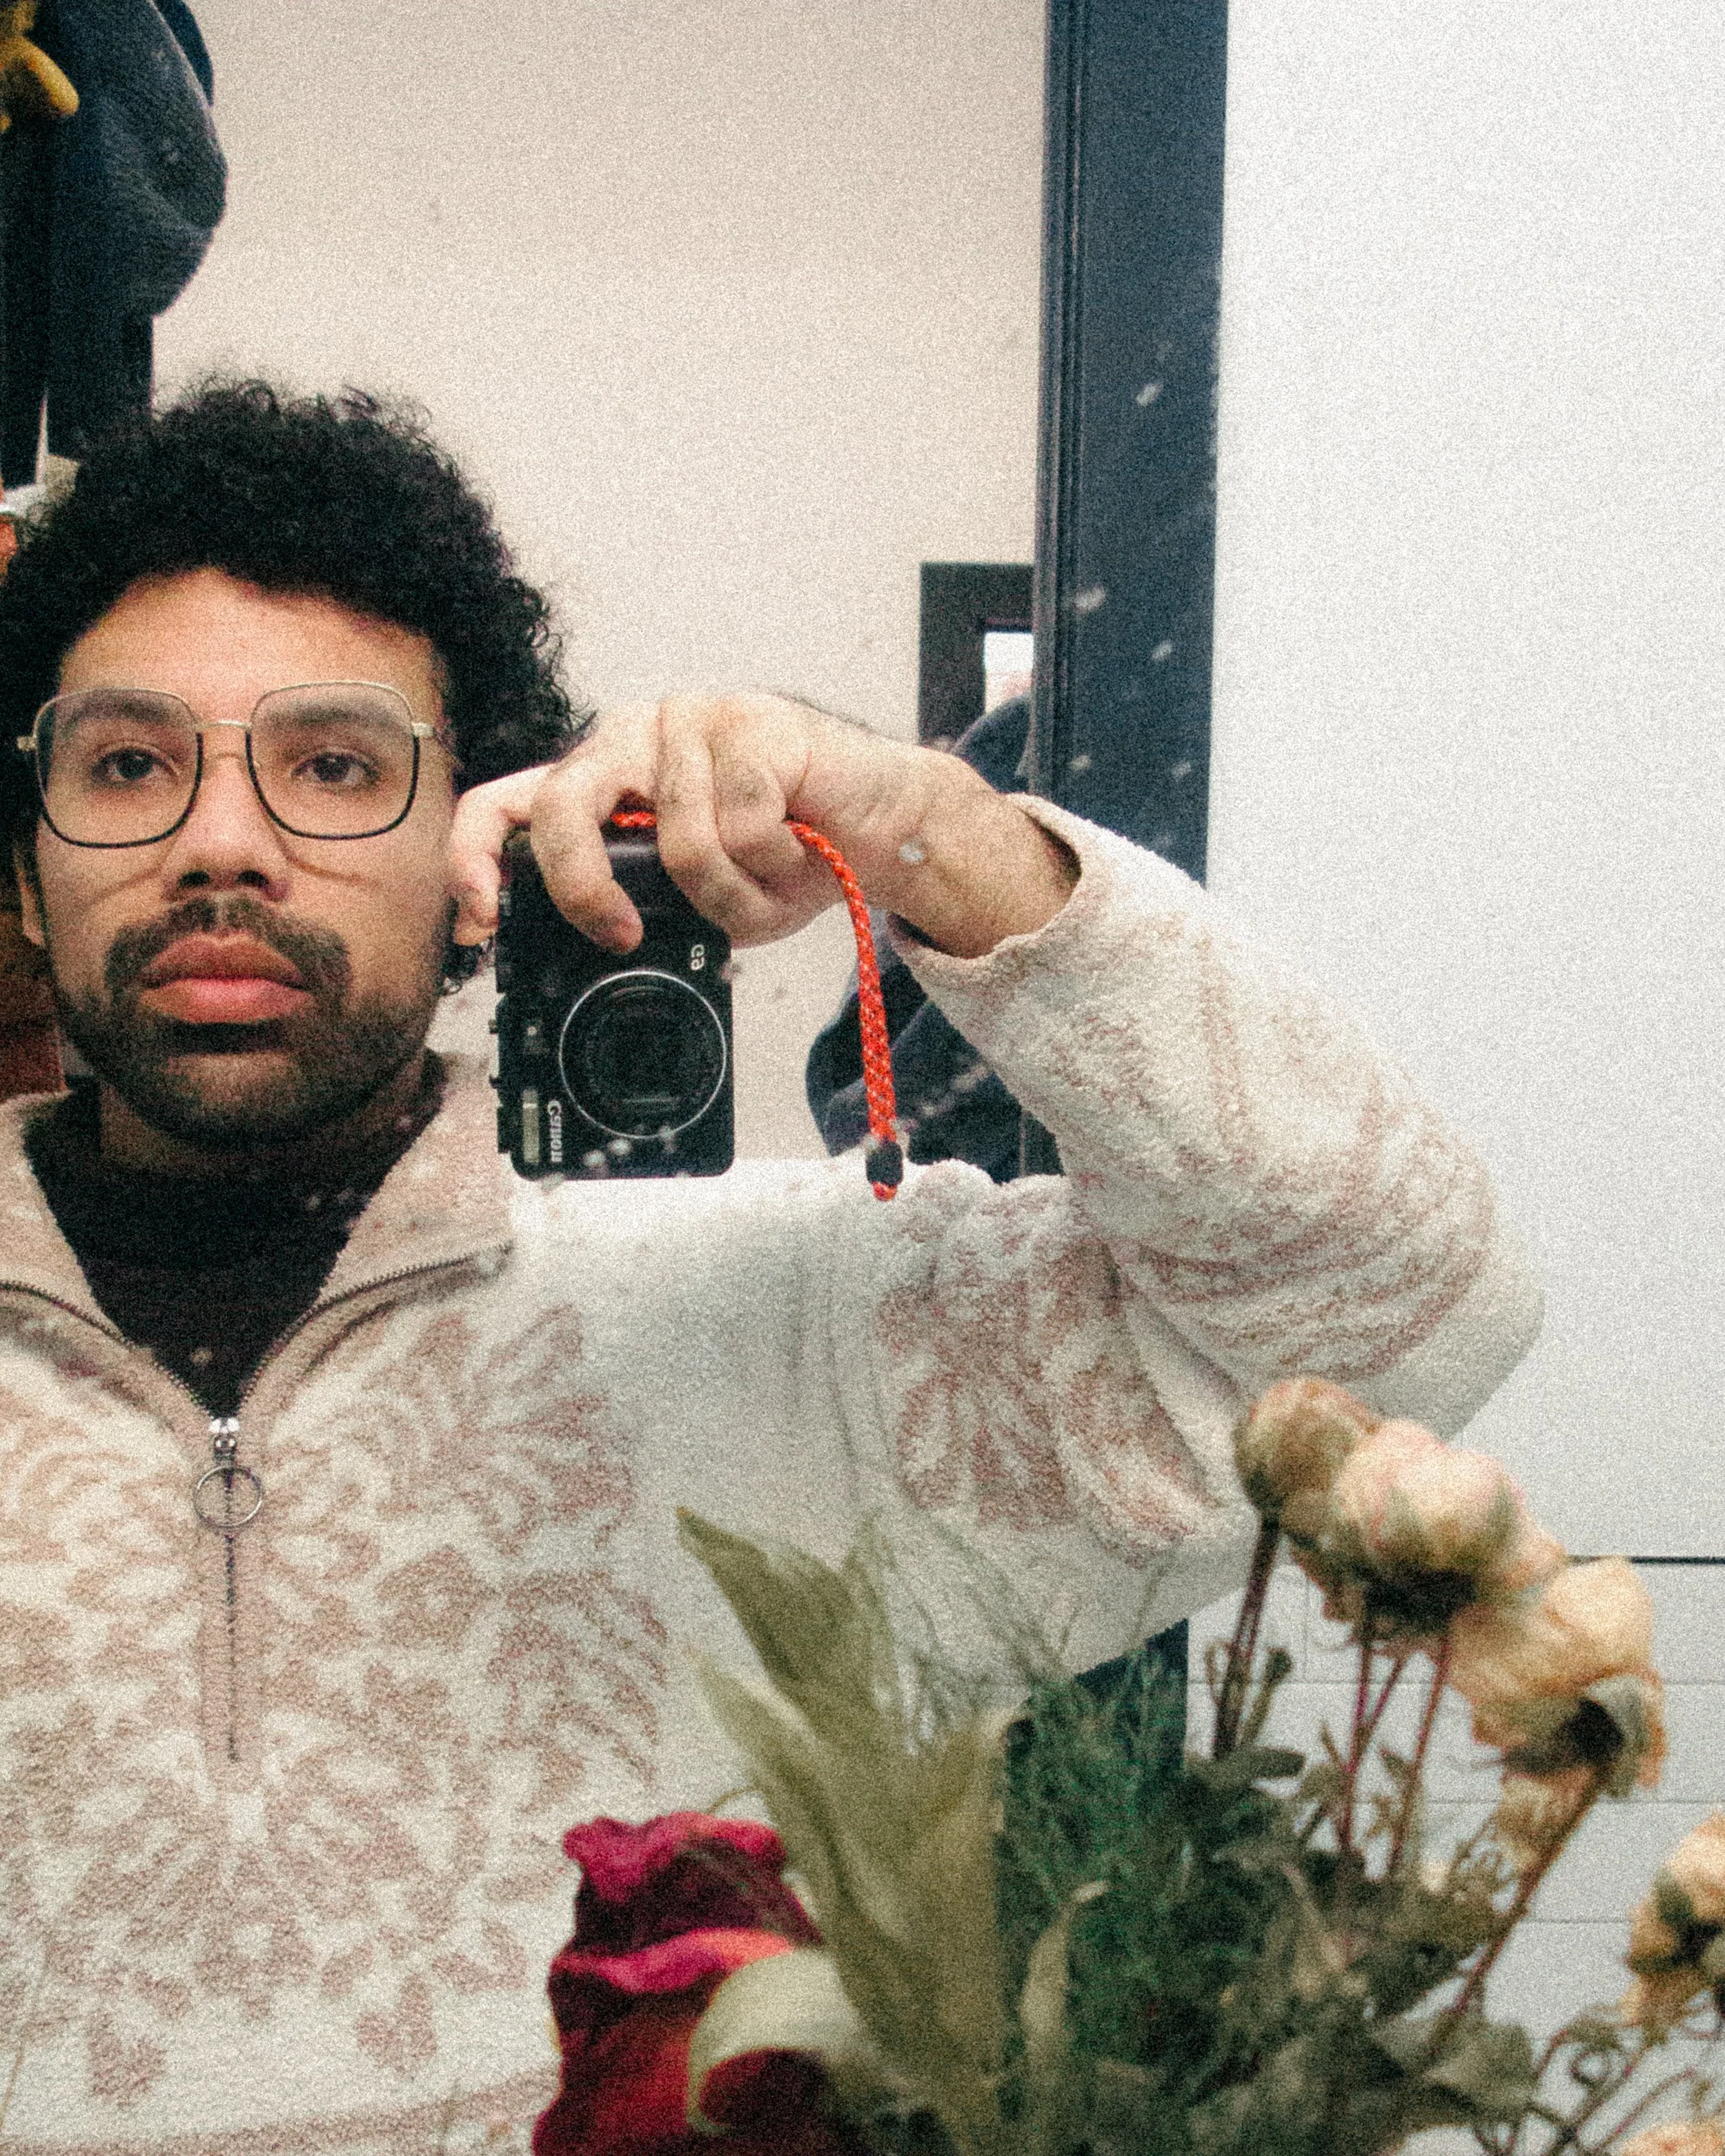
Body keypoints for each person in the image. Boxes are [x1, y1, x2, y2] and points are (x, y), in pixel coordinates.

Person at [0, 381, 1541, 2150]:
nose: (220, 838)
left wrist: (937, 838)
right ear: (29, 866)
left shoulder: (799, 1319)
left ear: (473, 865)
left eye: (335, 765)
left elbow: (1405, 1298)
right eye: (127, 762)